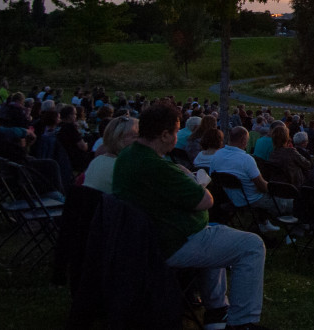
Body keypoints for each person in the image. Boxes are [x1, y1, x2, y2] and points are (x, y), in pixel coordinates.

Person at [113, 100, 266, 330]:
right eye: (175, 132)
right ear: (164, 135)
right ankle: (242, 322)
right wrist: (191, 180)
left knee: (218, 234)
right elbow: (206, 200)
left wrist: (182, 174)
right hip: (171, 244)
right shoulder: (155, 167)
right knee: (252, 246)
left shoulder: (128, 157)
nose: (177, 137)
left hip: (151, 239)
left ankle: (216, 311)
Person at [208, 127, 291, 232]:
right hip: (252, 200)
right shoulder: (246, 159)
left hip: (232, 197)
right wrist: (274, 190)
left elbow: (213, 177)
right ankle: (296, 228)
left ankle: (264, 223)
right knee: (289, 202)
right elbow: (262, 186)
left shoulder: (217, 155)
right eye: (247, 140)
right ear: (243, 140)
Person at [82, 115, 138, 194]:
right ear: (119, 138)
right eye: (136, 136)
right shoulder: (122, 167)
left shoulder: (97, 161)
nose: (140, 141)